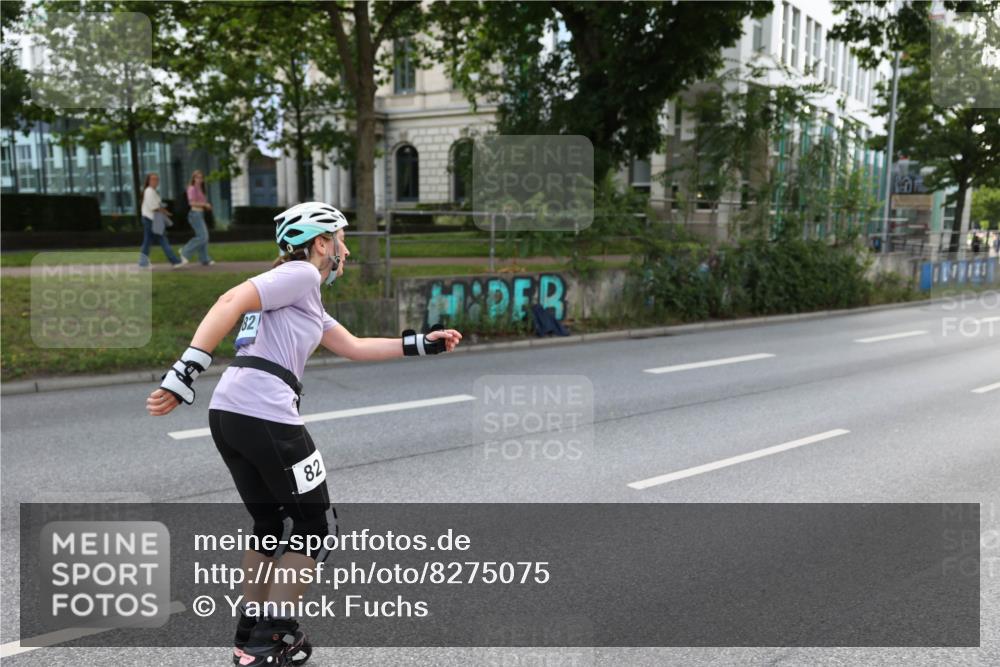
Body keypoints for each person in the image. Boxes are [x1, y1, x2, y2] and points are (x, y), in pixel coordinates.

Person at [145, 202, 462, 666]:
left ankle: (250, 634)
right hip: (265, 413)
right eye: (341, 239)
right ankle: (273, 635)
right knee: (317, 526)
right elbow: (227, 301)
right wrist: (184, 371)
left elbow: (353, 346)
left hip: (230, 414)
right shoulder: (302, 276)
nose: (346, 251)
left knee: (271, 526)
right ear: (320, 244)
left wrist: (421, 344)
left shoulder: (301, 297)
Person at [138, 173, 183, 268]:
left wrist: (165, 211)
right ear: (149, 181)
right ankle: (175, 261)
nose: (156, 181)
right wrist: (164, 212)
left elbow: (158, 205)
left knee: (147, 241)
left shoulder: (153, 191)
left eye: (157, 179)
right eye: (153, 179)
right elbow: (153, 207)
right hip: (151, 219)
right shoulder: (149, 191)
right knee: (162, 240)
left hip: (152, 219)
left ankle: (143, 263)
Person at [181, 169, 215, 266]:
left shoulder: (201, 189)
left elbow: (200, 202)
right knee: (203, 236)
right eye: (197, 178)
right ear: (193, 179)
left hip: (200, 214)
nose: (199, 180)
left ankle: (204, 259)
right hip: (194, 214)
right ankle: (185, 252)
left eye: (201, 178)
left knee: (203, 237)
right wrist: (205, 204)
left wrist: (206, 206)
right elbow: (191, 203)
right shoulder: (191, 188)